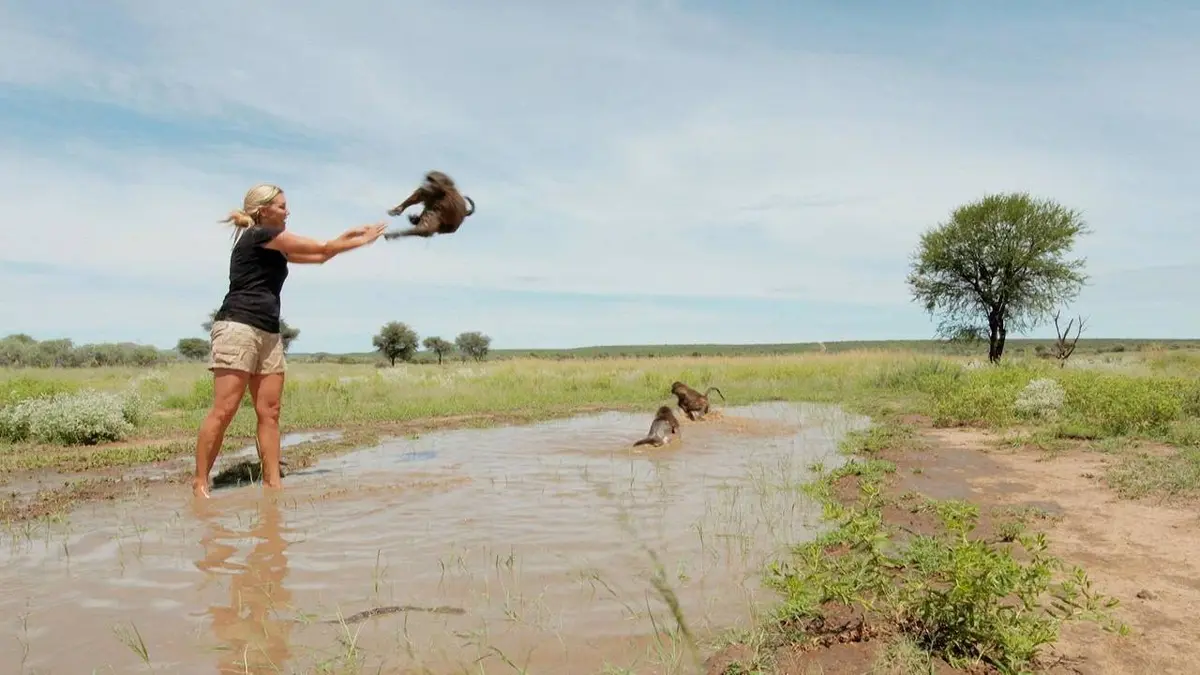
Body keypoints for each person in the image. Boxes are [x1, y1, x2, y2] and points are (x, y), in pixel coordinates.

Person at [193, 183, 386, 498]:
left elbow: (322, 255)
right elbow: (321, 247)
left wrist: (349, 237)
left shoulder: (275, 245)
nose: (288, 211)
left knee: (269, 412)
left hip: (269, 332)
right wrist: (361, 240)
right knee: (225, 409)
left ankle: (273, 486)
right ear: (264, 210)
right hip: (238, 328)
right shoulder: (258, 235)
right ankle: (200, 484)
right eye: (282, 206)